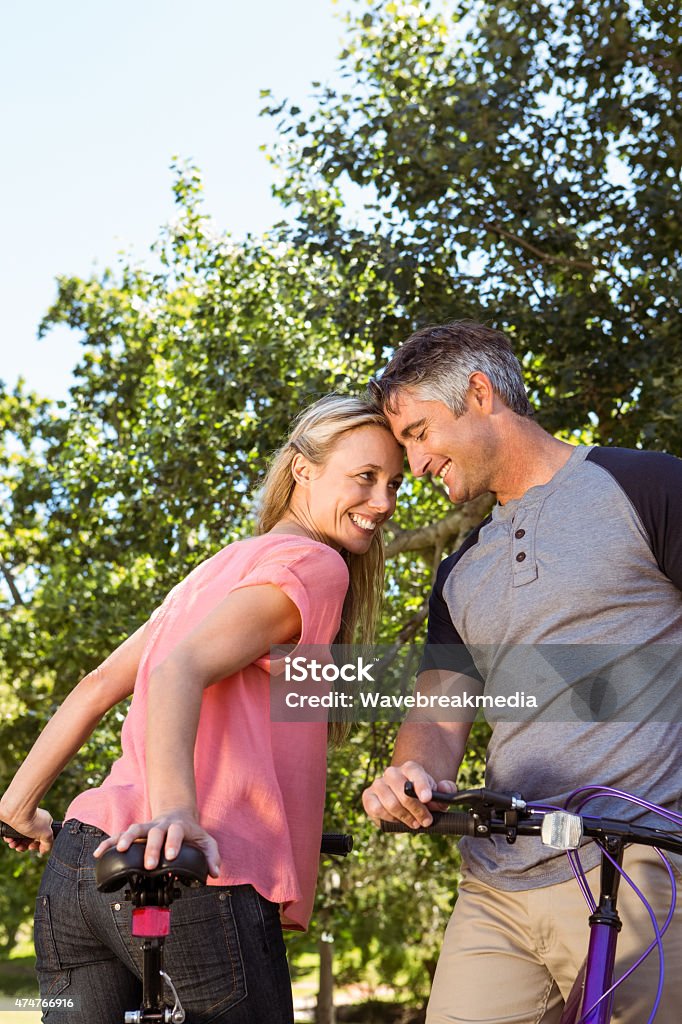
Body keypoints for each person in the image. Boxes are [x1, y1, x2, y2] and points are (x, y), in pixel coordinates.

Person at [0, 394, 404, 1024]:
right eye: (365, 478)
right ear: (302, 469)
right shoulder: (315, 564)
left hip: (80, 867)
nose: (382, 502)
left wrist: (18, 806)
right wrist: (176, 818)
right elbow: (174, 672)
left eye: (394, 484)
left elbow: (98, 683)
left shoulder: (210, 572)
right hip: (191, 875)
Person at [362, 321, 682, 1024]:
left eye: (419, 433)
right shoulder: (458, 574)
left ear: (479, 394)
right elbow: (436, 724)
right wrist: (408, 776)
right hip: (496, 890)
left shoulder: (650, 487)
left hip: (636, 871)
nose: (414, 465)